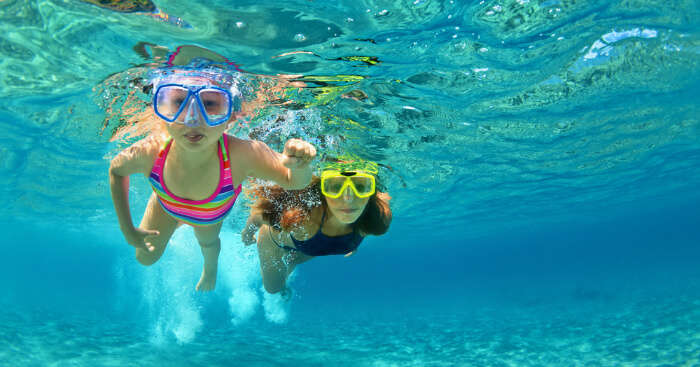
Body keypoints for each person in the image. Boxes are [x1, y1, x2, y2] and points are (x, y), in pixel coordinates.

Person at [109, 66, 316, 291]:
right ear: (162, 111)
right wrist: (127, 229)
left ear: (230, 117)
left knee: (207, 243)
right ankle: (175, 218)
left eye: (209, 104)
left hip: (209, 214)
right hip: (166, 205)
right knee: (144, 257)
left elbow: (294, 181)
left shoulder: (241, 155)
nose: (193, 119)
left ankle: (210, 270)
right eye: (179, 103)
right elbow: (116, 171)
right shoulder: (150, 152)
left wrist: (300, 166)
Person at [242, 158, 392, 295]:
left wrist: (353, 243)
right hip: (275, 243)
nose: (348, 199)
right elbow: (258, 215)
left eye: (360, 187)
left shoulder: (377, 215)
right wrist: (247, 234)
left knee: (294, 259)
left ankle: (293, 260)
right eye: (336, 187)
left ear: (371, 192)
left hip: (309, 246)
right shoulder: (302, 217)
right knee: (274, 288)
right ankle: (286, 277)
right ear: (323, 190)